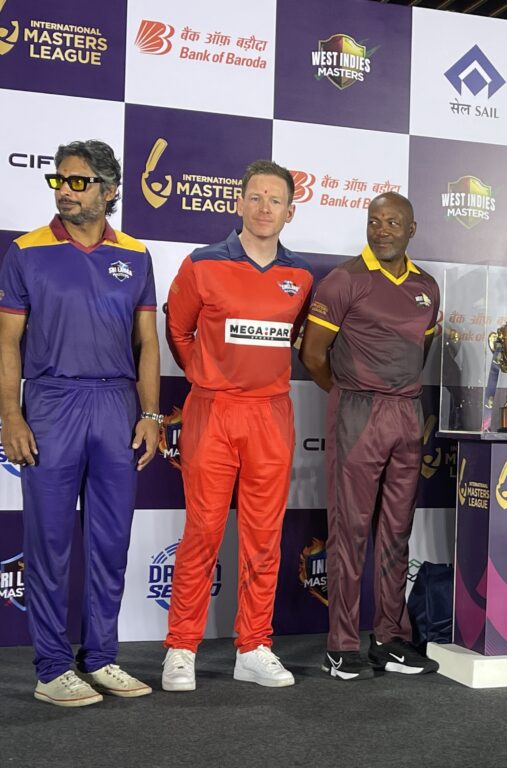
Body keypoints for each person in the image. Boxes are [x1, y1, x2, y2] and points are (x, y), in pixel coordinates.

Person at [0, 140, 160, 706]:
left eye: (77, 182)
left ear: (109, 190)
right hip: (50, 404)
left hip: (116, 406)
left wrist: (149, 413)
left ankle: (101, 658)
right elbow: (8, 342)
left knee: (111, 542)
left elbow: (147, 344)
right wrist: (11, 414)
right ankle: (50, 668)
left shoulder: (137, 256)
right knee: (48, 543)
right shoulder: (26, 251)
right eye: (59, 181)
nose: (64, 191)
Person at [162, 160, 314, 691]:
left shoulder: (302, 276)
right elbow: (178, 331)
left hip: (271, 414)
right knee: (202, 530)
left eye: (276, 200)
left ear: (290, 211)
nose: (265, 208)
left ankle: (254, 645)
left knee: (263, 538)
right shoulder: (202, 265)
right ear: (238, 203)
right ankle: (181, 647)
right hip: (213, 411)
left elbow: (295, 343)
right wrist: (208, 376)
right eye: (256, 197)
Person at [300, 192, 440, 681]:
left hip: (406, 413)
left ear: (411, 229)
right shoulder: (344, 279)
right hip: (357, 411)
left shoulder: (427, 286)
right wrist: (349, 393)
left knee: (397, 533)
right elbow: (314, 355)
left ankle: (389, 638)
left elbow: (418, 351)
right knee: (349, 532)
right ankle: (341, 645)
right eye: (374, 221)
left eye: (393, 222)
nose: (382, 229)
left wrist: (393, 394)